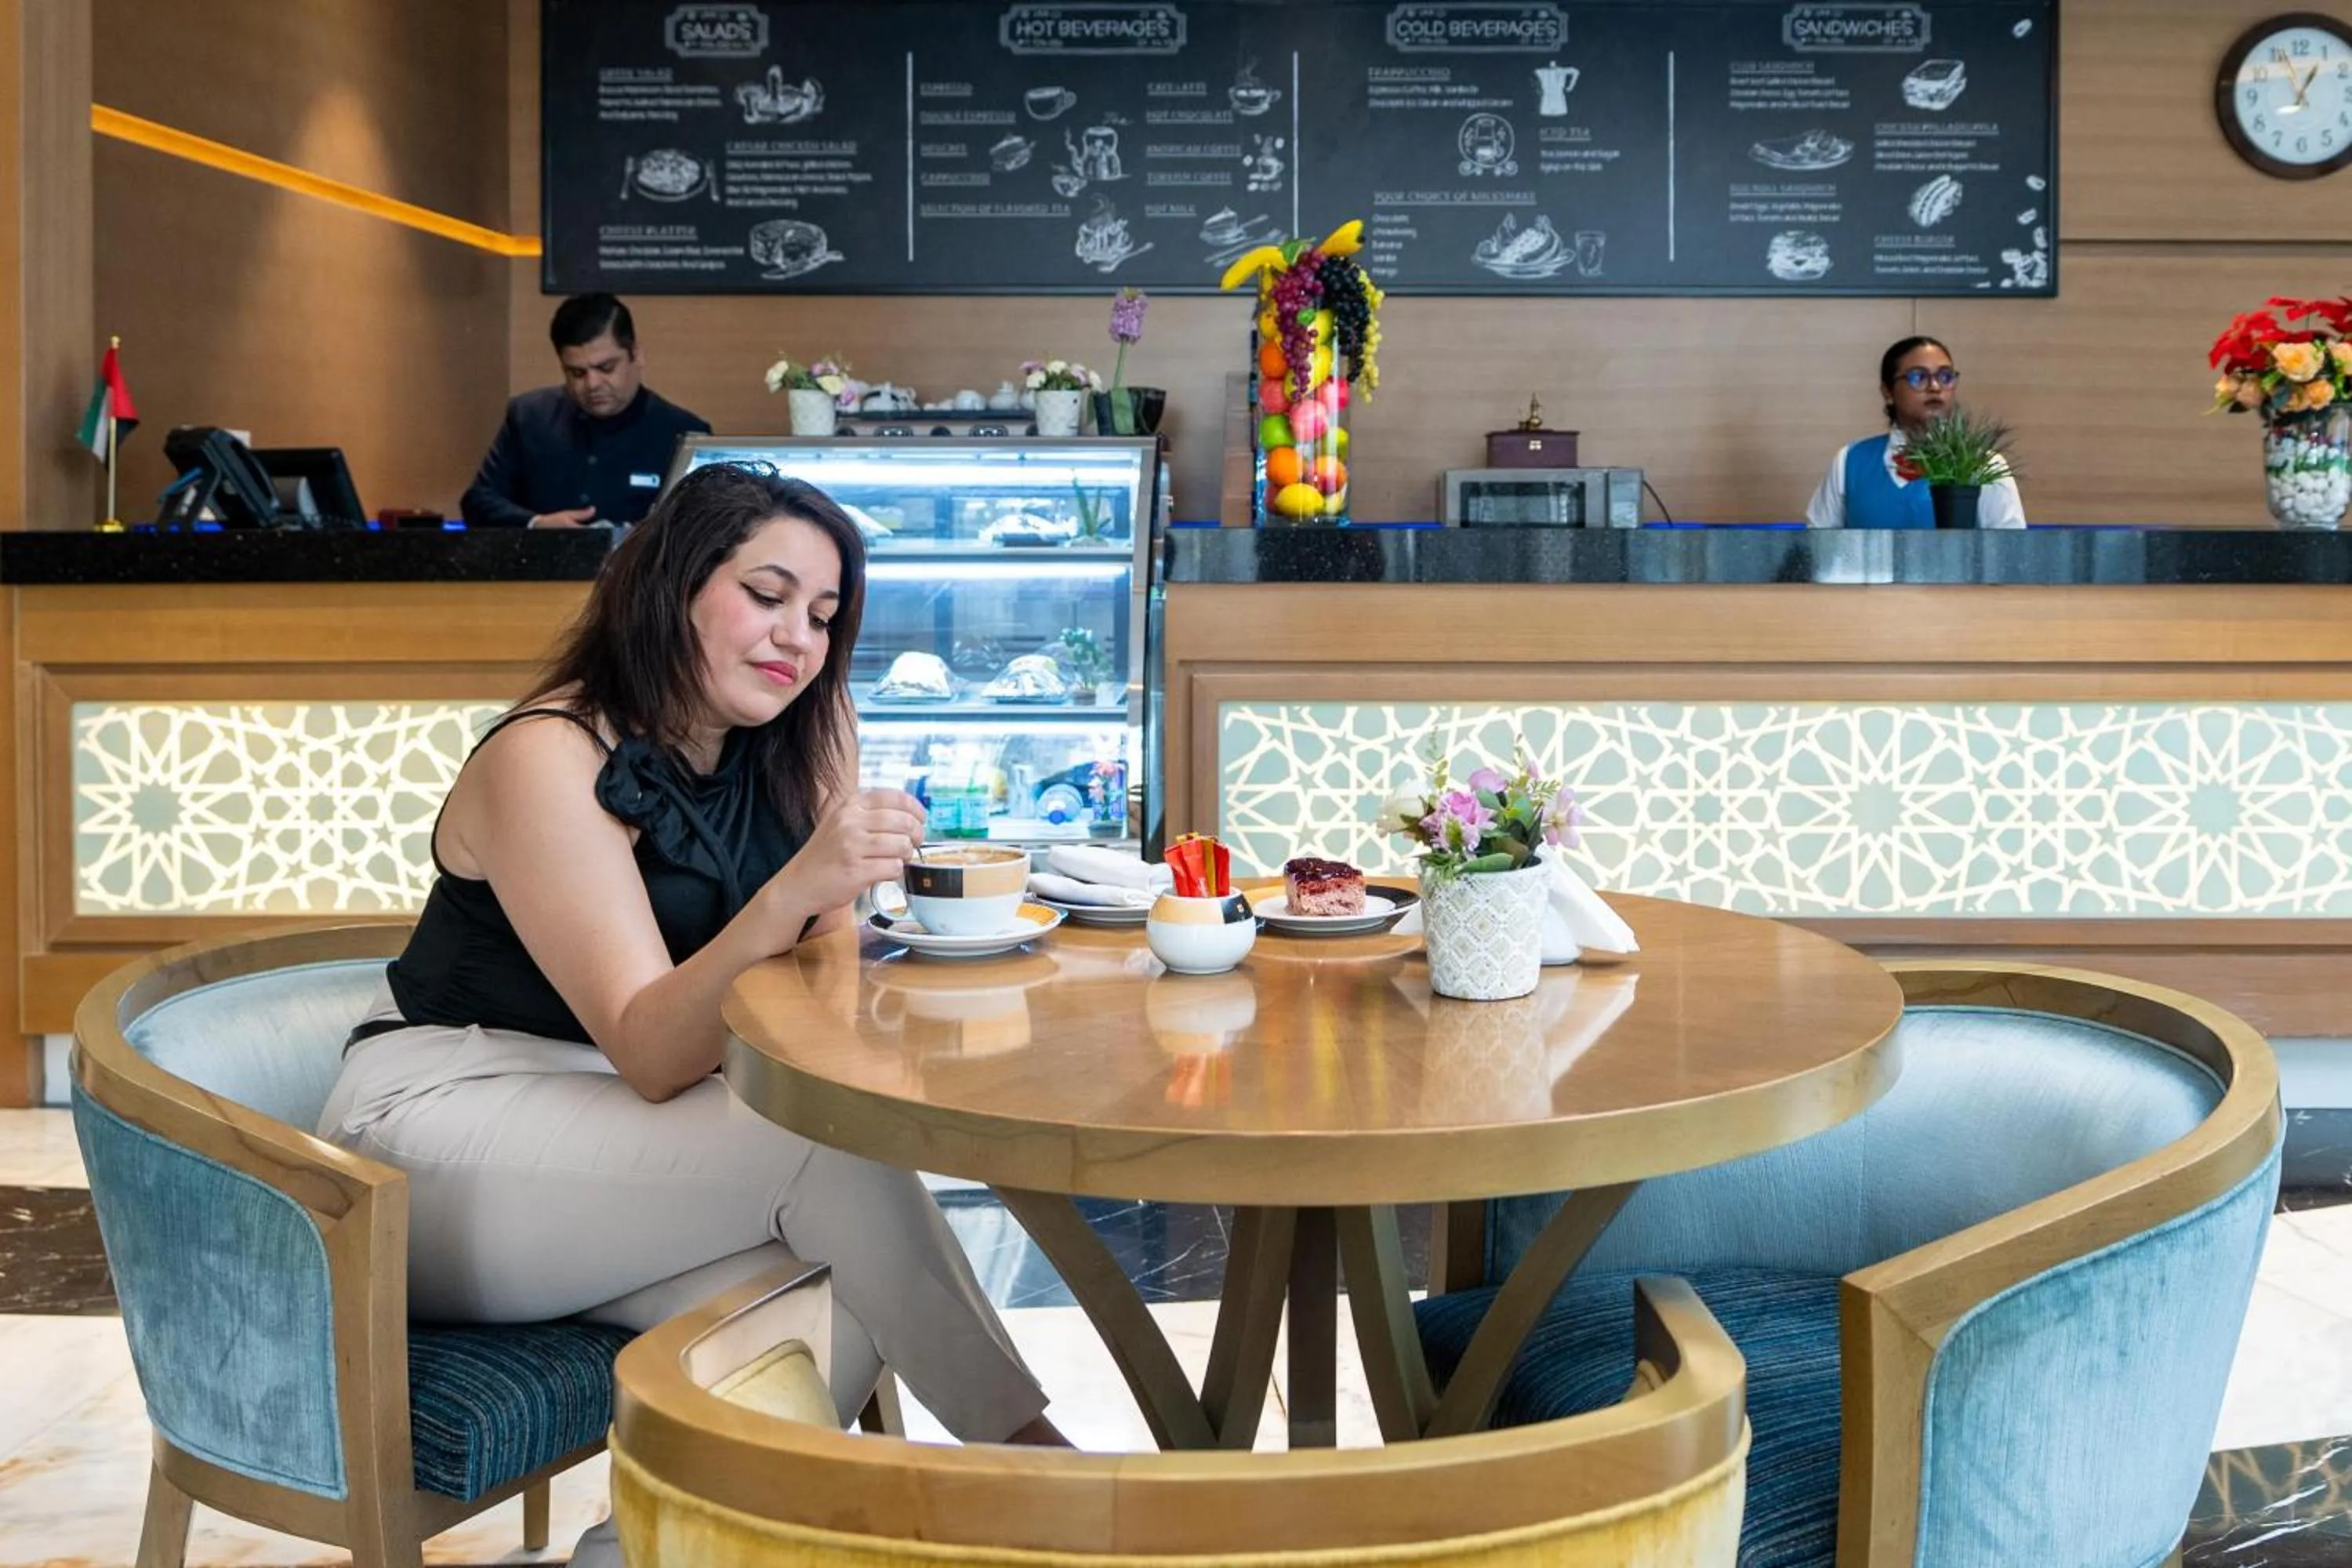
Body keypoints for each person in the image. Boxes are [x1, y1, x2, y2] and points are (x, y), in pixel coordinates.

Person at [316, 465, 1060, 1565]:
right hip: (427, 1144)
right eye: (767, 594)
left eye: (822, 616)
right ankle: (1040, 1477)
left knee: (835, 1299)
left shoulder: (797, 737)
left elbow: (821, 1002)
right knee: (826, 1156)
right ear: (672, 584)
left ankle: (635, 1553)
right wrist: (797, 888)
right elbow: (655, 1050)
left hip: (608, 1137)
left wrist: (836, 886)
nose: (797, 639)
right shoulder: (548, 756)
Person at [460, 293, 710, 529]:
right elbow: (478, 502)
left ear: (636, 354)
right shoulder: (528, 416)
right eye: (577, 373)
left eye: (606, 367)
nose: (592, 384)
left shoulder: (685, 434)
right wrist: (538, 523)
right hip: (542, 570)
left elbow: (705, 528)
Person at [1806, 336, 2025, 529]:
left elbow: (2009, 556)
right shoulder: (1849, 461)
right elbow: (1817, 549)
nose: (1935, 387)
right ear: (1888, 392)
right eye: (1918, 377)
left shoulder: (1985, 464)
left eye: (1945, 376)